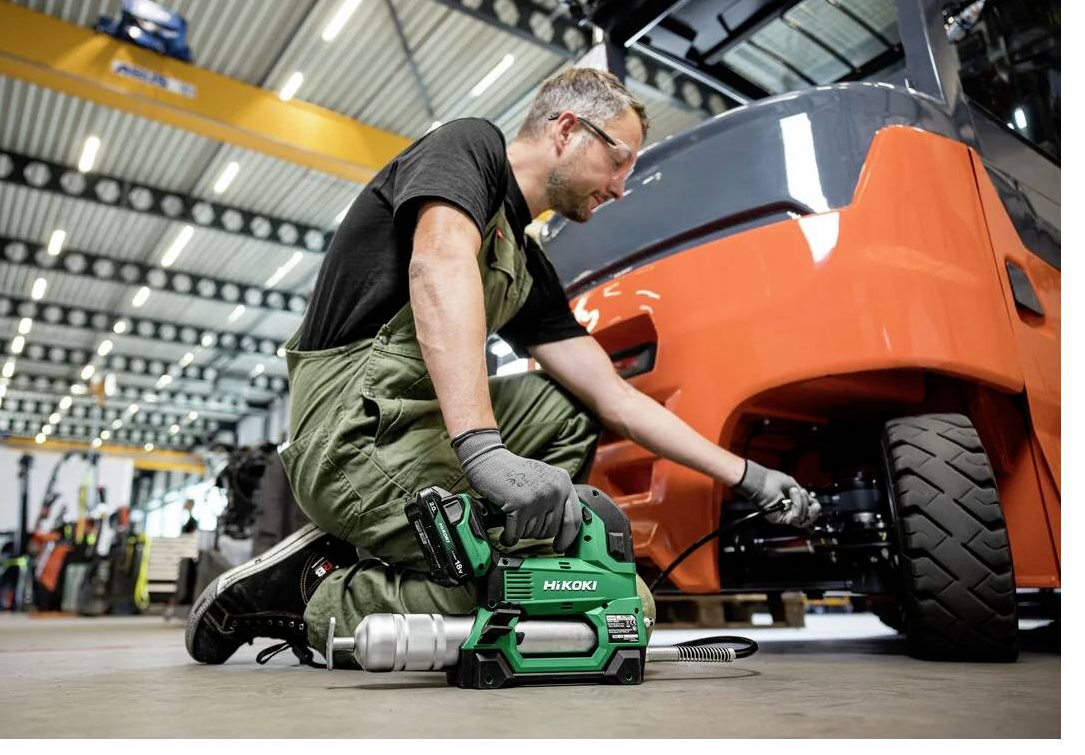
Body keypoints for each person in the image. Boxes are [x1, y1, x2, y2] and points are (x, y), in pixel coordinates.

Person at [185, 68, 821, 666]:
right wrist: (485, 453)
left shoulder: (524, 260)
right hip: (353, 431)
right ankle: (310, 592)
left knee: (565, 410)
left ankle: (474, 542)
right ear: (567, 129)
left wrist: (746, 475)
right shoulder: (468, 148)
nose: (622, 186)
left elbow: (614, 398)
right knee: (595, 601)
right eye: (619, 160)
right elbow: (437, 262)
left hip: (421, 425)